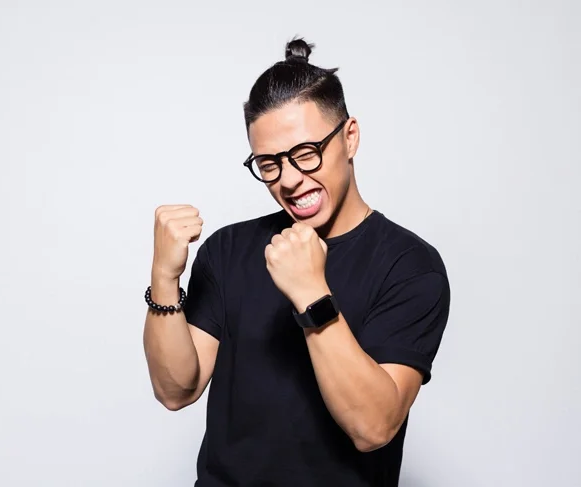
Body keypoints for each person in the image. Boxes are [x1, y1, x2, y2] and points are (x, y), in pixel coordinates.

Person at [143, 37, 451, 487]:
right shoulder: (229, 250)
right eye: (268, 164)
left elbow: (373, 427)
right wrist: (164, 277)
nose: (289, 180)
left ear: (350, 138)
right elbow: (176, 390)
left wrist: (310, 292)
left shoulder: (410, 265)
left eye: (306, 154)